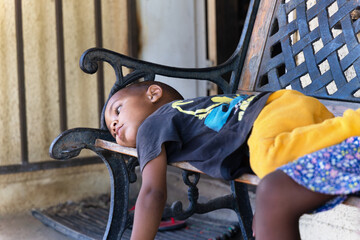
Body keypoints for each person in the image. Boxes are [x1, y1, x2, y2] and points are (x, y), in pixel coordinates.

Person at [104, 80, 360, 240]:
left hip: (266, 115)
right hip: (287, 111)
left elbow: (152, 193)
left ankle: (354, 123)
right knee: (276, 162)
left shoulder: (152, 125)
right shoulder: (185, 115)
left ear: (153, 93)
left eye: (117, 110)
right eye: (111, 127)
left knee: (268, 159)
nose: (114, 124)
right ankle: (344, 132)